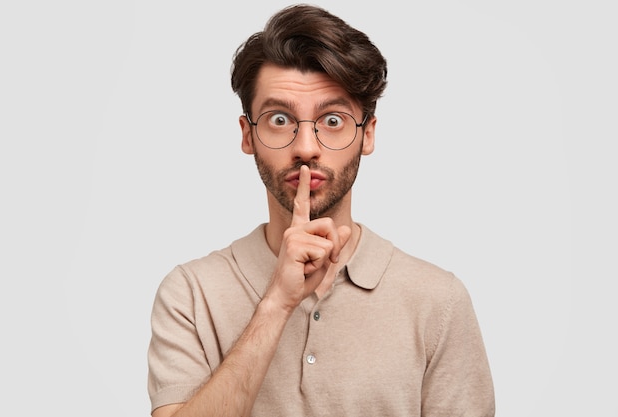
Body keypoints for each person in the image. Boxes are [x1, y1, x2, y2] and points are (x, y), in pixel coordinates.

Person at [147, 4, 495, 417]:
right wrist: (276, 302)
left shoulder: (438, 301)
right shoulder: (190, 292)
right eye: (279, 119)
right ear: (248, 135)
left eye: (333, 120)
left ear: (366, 134)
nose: (306, 148)